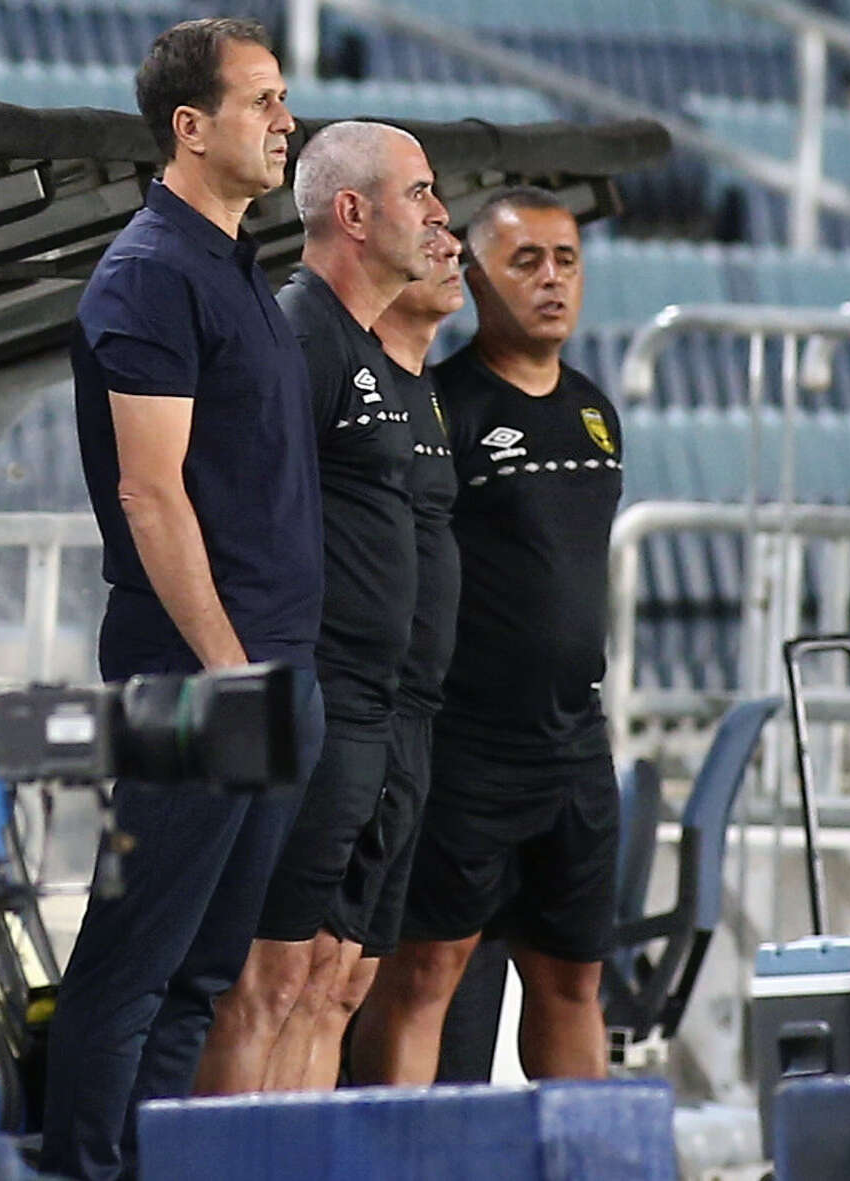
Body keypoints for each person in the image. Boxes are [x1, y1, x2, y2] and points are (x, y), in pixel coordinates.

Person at [40, 20, 325, 1180]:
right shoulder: (153, 271)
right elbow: (149, 494)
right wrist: (229, 670)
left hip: (269, 668)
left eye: (283, 97)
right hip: (202, 673)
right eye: (261, 100)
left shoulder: (233, 262)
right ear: (190, 127)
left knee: (203, 972)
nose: (285, 121)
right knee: (134, 963)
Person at [194, 120, 448, 1094]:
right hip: (318, 703)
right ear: (354, 212)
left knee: (326, 977)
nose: (437, 214)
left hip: (379, 711)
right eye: (418, 192)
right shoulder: (300, 333)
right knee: (264, 981)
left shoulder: (368, 350)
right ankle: (218, 1160)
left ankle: (292, 1154)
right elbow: (223, 503)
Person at [354, 186, 623, 1084]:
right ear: (474, 275)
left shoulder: (595, 411)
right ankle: (395, 1147)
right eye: (526, 261)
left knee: (574, 980)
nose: (552, 280)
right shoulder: (446, 407)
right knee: (425, 973)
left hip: (574, 744)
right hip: (468, 747)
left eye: (566, 260)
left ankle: (578, 1148)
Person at [337, 227, 464, 1083]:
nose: (449, 248)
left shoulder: (427, 392)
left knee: (350, 978)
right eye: (429, 228)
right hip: (357, 710)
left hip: (414, 717)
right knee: (297, 976)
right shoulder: (351, 378)